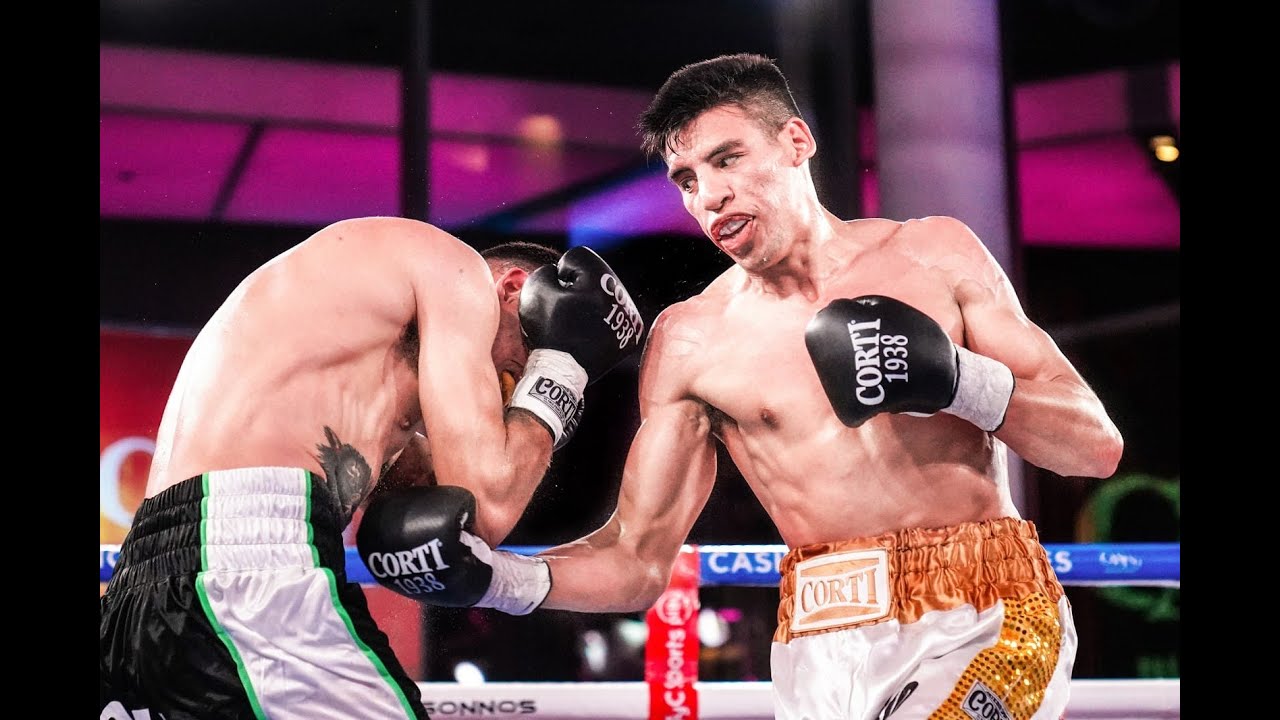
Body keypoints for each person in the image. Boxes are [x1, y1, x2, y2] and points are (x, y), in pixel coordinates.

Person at [365, 54, 1126, 720]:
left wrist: (956, 378)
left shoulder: (933, 255)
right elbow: (635, 556)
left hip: (984, 611)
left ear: (796, 141)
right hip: (819, 643)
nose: (709, 196)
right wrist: (492, 578)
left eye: (727, 159)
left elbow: (1093, 446)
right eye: (687, 180)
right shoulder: (690, 342)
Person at [98, 216, 645, 720]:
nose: (505, 392)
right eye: (518, 368)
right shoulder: (456, 270)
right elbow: (488, 506)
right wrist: (560, 371)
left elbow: (446, 508)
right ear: (513, 290)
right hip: (250, 576)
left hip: (142, 598)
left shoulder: (358, 375)